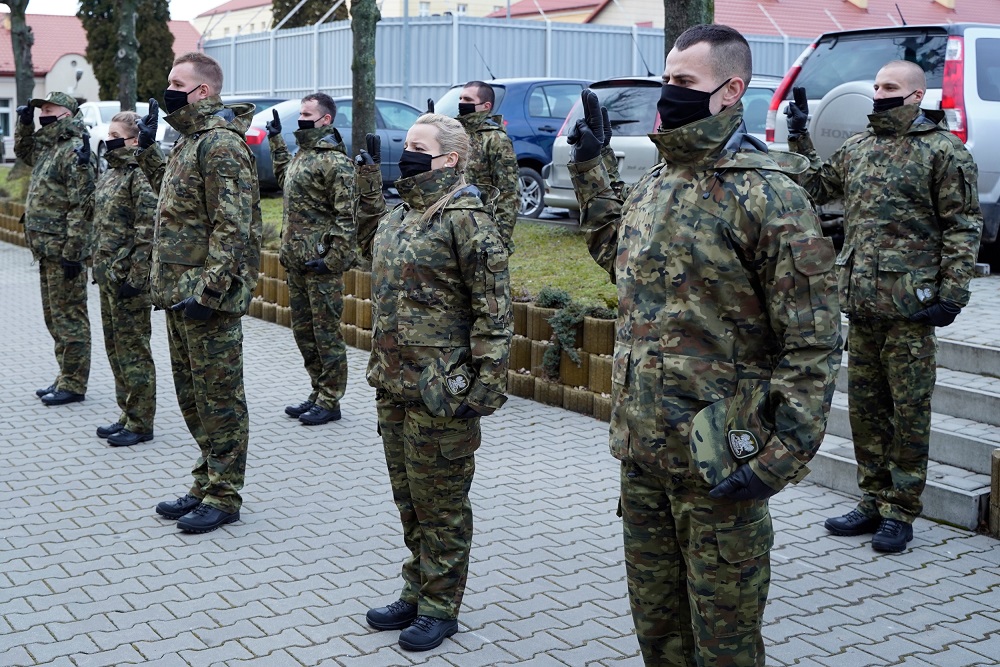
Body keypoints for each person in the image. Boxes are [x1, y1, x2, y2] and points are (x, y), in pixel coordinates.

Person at [568, 24, 842, 666]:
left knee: (724, 646)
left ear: (730, 90)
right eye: (667, 79)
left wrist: (776, 458)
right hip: (643, 455)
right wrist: (590, 169)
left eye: (684, 82)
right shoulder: (656, 183)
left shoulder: (767, 194)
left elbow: (813, 342)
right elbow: (619, 256)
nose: (669, 93)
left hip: (720, 460)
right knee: (658, 634)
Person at [786, 60, 983, 553]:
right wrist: (798, 138)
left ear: (916, 96)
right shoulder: (858, 149)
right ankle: (872, 500)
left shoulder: (944, 152)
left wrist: (952, 294)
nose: (879, 93)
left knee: (909, 412)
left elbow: (963, 226)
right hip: (863, 304)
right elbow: (813, 188)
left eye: (890, 87)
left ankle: (902, 510)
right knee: (866, 411)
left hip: (913, 309)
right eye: (876, 85)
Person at [353, 114, 511, 652]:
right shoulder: (401, 216)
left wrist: (483, 391)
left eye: (419, 147)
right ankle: (416, 587)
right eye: (407, 145)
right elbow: (362, 248)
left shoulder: (466, 220)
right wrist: (365, 187)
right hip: (394, 383)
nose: (407, 153)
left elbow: (494, 312)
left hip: (443, 392)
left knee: (441, 504)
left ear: (448, 159)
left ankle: (442, 606)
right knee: (409, 500)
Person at [135, 52, 262, 534]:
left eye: (176, 82)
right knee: (192, 397)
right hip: (179, 293)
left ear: (203, 90)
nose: (168, 89)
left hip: (207, 299)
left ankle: (225, 494)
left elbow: (233, 228)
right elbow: (177, 208)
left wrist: (208, 292)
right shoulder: (189, 141)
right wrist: (148, 152)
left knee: (220, 398)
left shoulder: (221, 145)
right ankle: (205, 480)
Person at [266, 93, 355, 426]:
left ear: (325, 120)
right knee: (304, 333)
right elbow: (283, 177)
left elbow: (347, 216)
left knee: (325, 333)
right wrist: (275, 140)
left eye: (307, 114)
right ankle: (318, 392)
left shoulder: (335, 162)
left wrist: (334, 259)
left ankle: (331, 399)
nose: (300, 118)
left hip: (320, 265)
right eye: (300, 113)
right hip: (297, 262)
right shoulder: (302, 155)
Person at [14, 91, 95, 406]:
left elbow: (81, 205)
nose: (42, 113)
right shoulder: (49, 148)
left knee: (70, 318)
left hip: (64, 252)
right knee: (54, 318)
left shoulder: (73, 151)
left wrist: (74, 252)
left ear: (67, 114)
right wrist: (23, 124)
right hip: (46, 249)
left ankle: (74, 383)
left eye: (49, 109)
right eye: (40, 109)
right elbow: (24, 150)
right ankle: (64, 375)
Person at [91, 111, 158, 447]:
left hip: (129, 280)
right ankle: (127, 413)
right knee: (116, 349)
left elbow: (148, 231)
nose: (109, 138)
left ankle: (141, 421)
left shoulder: (138, 174)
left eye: (116, 134)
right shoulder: (112, 173)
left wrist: (138, 276)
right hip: (108, 275)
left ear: (134, 139)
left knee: (133, 351)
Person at [454, 81, 519, 254]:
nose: (461, 103)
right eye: (460, 98)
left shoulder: (496, 139)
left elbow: (508, 193)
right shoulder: (455, 134)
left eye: (467, 99)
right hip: (451, 226)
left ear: (486, 106)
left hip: (482, 227)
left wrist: (500, 239)